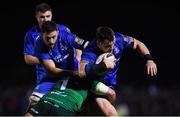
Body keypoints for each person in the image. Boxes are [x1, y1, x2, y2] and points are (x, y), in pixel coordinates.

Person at [79, 26, 157, 116]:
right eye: (107, 46)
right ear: (99, 43)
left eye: (113, 44)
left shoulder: (119, 39)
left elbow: (139, 44)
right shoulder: (90, 49)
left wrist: (149, 59)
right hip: (94, 85)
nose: (112, 48)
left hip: (111, 86)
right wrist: (103, 65)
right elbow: (81, 71)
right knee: (111, 114)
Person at [23, 3, 83, 107]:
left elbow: (76, 45)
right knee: (34, 103)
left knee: (69, 105)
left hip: (69, 73)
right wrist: (48, 59)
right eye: (42, 17)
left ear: (52, 15)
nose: (45, 19)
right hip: (45, 76)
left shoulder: (63, 29)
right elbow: (28, 59)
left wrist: (78, 58)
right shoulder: (31, 35)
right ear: (36, 17)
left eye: (48, 16)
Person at [25, 21, 89, 116]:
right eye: (48, 38)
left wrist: (82, 59)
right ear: (42, 35)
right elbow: (52, 69)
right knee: (34, 100)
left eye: (53, 37)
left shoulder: (66, 36)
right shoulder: (39, 45)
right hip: (55, 75)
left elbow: (87, 45)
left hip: (75, 73)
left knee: (83, 102)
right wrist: (73, 73)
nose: (51, 41)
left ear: (57, 32)